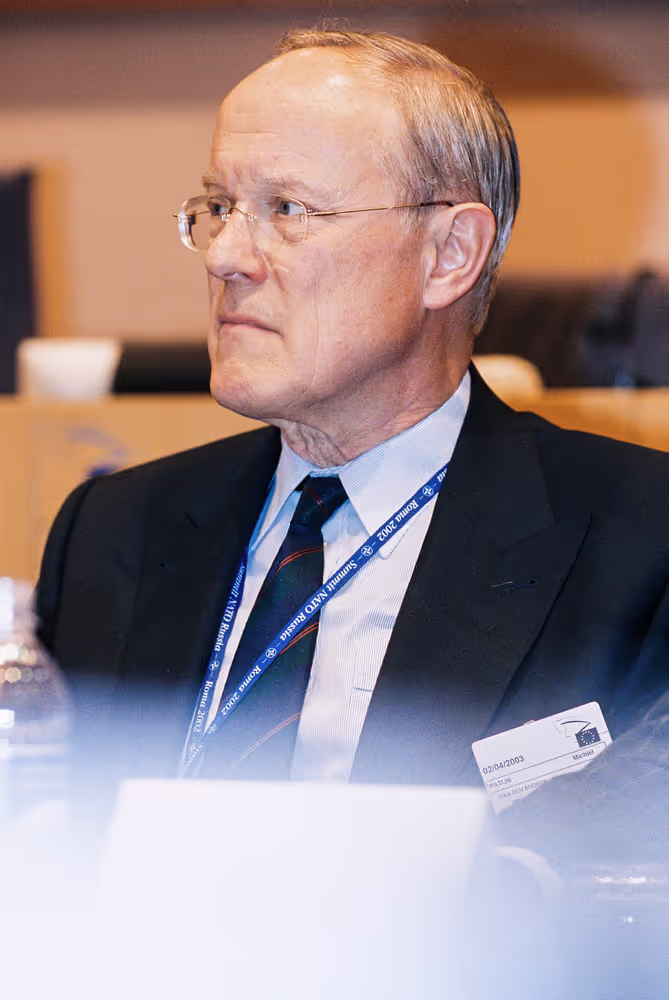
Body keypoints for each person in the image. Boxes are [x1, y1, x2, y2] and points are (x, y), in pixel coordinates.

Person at [36, 29, 669, 860]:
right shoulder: (115, 528)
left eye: (287, 210)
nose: (224, 256)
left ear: (448, 254)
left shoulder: (640, 540)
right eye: (218, 207)